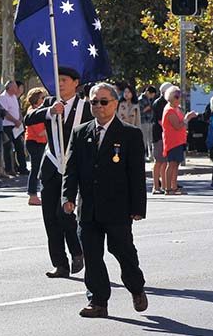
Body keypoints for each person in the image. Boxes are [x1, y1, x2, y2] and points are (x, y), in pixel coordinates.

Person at [62, 82, 148, 318]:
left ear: (115, 104)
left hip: (118, 208)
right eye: (93, 102)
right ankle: (98, 301)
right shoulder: (81, 133)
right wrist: (68, 196)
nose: (98, 106)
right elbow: (71, 170)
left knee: (122, 251)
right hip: (88, 208)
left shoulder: (130, 134)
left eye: (103, 101)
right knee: (92, 255)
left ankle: (136, 287)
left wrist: (138, 207)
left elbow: (136, 175)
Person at [24, 67, 89, 278]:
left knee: (65, 214)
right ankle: (60, 264)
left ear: (75, 82)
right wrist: (49, 111)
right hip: (51, 166)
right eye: (57, 80)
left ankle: (77, 251)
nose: (60, 83)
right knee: (50, 218)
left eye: (64, 80)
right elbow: (29, 118)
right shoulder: (51, 102)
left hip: (74, 168)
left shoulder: (85, 107)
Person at [161, 85, 197, 195]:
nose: (179, 99)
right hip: (172, 141)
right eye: (176, 96)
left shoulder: (177, 109)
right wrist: (187, 118)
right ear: (170, 97)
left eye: (180, 96)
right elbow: (177, 125)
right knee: (171, 164)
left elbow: (182, 124)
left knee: (176, 164)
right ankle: (168, 188)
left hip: (179, 140)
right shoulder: (169, 111)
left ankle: (174, 186)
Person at [0, 81, 28, 176]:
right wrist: (15, 121)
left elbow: (17, 109)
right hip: (7, 126)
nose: (17, 89)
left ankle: (22, 168)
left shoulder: (14, 97)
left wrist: (19, 119)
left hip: (17, 126)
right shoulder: (3, 97)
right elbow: (5, 113)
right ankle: (9, 169)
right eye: (15, 87)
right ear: (9, 88)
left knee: (20, 147)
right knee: (8, 147)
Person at [24, 88, 47, 206]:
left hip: (39, 142)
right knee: (36, 168)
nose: (44, 100)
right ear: (36, 100)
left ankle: (35, 194)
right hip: (35, 142)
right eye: (42, 98)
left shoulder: (38, 110)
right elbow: (40, 132)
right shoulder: (33, 112)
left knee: (39, 168)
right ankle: (32, 194)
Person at [150, 82, 172, 194]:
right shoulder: (158, 103)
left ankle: (164, 185)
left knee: (165, 162)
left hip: (166, 135)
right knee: (158, 161)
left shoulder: (169, 103)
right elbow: (160, 121)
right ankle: (155, 186)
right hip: (159, 135)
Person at [138, 86, 156, 162]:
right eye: (152, 95)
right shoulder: (141, 99)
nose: (152, 97)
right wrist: (147, 108)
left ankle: (151, 155)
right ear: (148, 92)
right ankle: (143, 156)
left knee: (150, 139)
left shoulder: (148, 99)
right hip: (143, 121)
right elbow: (139, 111)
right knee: (144, 140)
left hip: (149, 121)